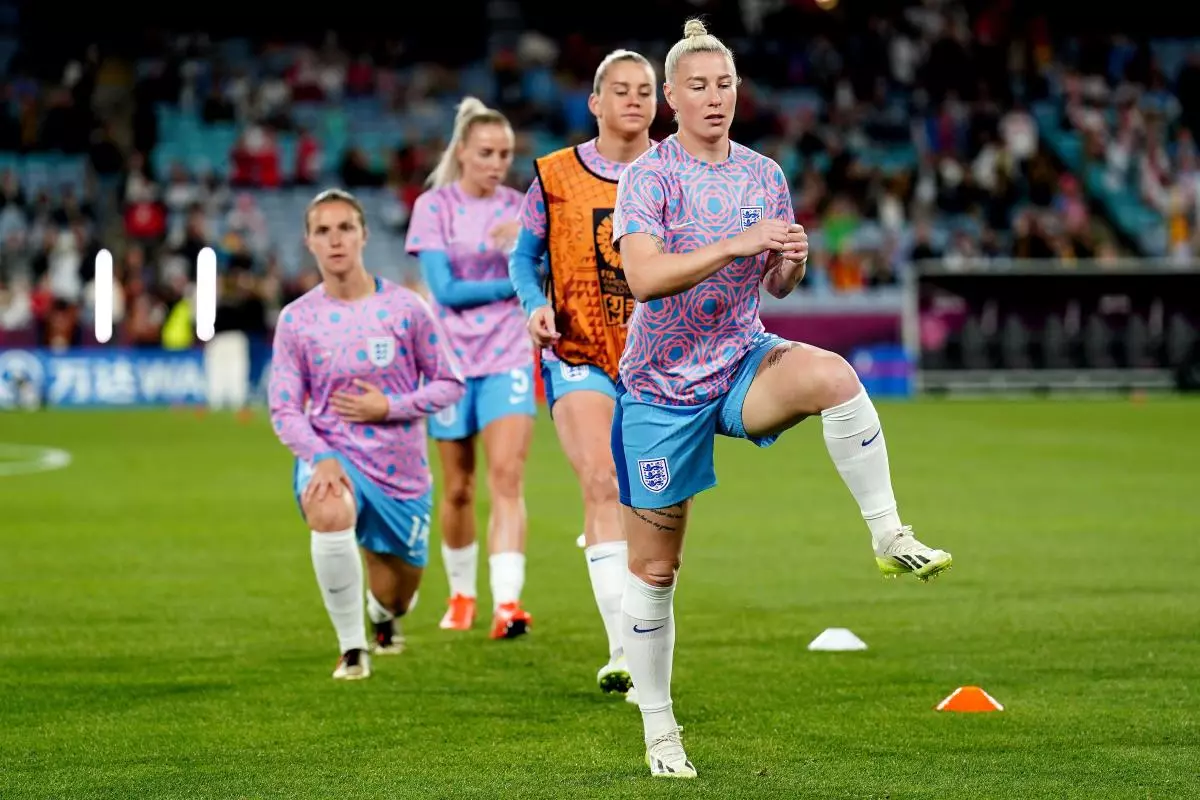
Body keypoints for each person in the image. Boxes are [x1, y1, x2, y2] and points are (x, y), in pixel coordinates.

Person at [609, 20, 953, 778]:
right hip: (662, 391)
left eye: (724, 84)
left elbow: (775, 284)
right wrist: (734, 245)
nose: (714, 98)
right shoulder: (650, 176)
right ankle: (660, 727)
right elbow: (643, 278)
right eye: (697, 86)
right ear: (670, 97)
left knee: (835, 376)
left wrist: (791, 262)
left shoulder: (763, 173)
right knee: (657, 573)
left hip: (739, 361)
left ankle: (889, 535)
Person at [508, 49, 656, 702]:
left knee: (647, 510)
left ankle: (623, 582)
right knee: (599, 479)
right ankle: (622, 651)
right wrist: (534, 304)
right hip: (578, 354)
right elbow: (522, 257)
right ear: (594, 102)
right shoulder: (554, 175)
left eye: (645, 90)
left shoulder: (678, 173)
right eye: (619, 90)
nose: (633, 99)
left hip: (659, 365)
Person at [269, 188, 466, 680]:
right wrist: (319, 456)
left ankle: (381, 618)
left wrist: (389, 407)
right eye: (323, 231)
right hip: (334, 453)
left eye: (345, 228)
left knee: (397, 597)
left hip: (401, 470)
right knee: (329, 508)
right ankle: (351, 648)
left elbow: (450, 383)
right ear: (309, 242)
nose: (335, 240)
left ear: (364, 235)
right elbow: (284, 407)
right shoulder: (296, 319)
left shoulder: (407, 309)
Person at [405, 97, 536, 640]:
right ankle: (462, 595)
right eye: (486, 152)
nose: (497, 163)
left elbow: (548, 270)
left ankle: (508, 604)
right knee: (458, 487)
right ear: (462, 152)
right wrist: (511, 270)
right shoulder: (433, 208)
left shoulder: (524, 206)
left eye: (505, 153)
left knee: (507, 479)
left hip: (508, 355)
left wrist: (531, 253)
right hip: (450, 364)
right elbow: (447, 291)